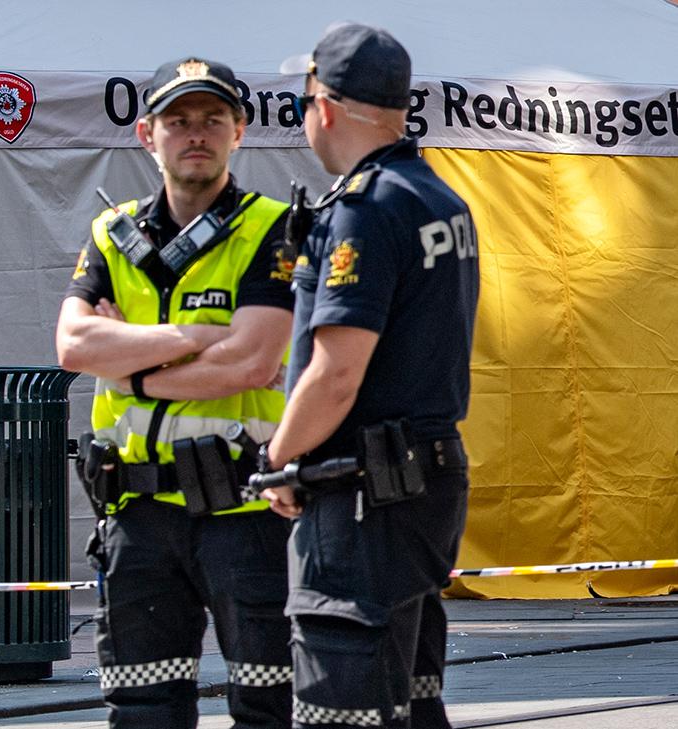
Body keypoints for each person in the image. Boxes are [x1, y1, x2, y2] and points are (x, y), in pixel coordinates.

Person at [56, 57, 298, 729]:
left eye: (212, 120)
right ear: (147, 135)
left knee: (268, 702)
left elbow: (252, 360)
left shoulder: (272, 227)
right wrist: (196, 332)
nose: (196, 134)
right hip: (138, 513)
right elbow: (74, 346)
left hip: (245, 513)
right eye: (178, 121)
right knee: (141, 707)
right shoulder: (112, 234)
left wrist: (129, 362)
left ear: (239, 132)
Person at [260, 23, 480, 729]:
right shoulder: (439, 199)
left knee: (341, 707)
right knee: (410, 701)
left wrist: (280, 456)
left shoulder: (364, 209)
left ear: (323, 104)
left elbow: (336, 372)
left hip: (362, 497)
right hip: (422, 485)